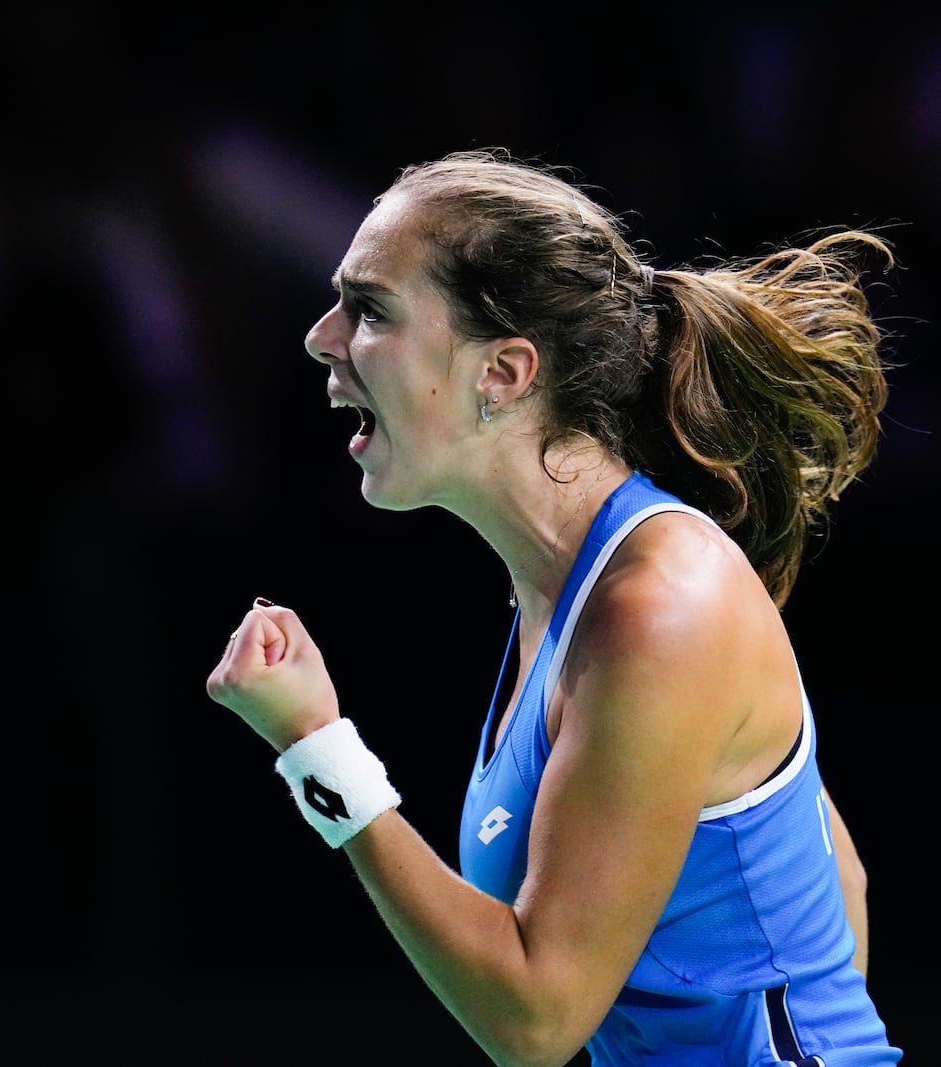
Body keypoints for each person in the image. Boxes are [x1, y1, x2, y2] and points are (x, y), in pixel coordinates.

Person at [206, 148, 903, 1066]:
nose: (321, 336)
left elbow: (535, 1019)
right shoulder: (560, 591)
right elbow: (835, 883)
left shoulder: (659, 607)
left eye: (369, 309)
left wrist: (317, 749)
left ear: (503, 373)